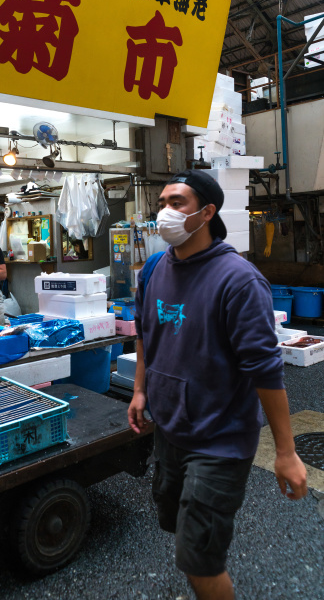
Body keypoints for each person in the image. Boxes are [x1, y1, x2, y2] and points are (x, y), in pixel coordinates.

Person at [128, 169, 307, 600]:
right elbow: (145, 332)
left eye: (178, 203)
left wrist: (286, 452)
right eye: (162, 202)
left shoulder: (238, 280)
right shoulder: (153, 268)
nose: (164, 212)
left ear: (206, 213)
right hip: (170, 429)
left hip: (220, 440)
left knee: (199, 560)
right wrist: (139, 390)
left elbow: (266, 370)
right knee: (175, 525)